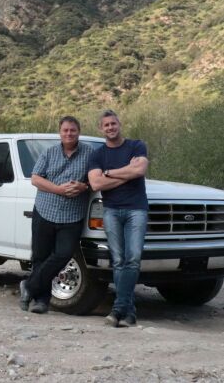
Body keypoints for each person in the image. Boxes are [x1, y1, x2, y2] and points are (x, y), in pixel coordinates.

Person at [19, 116, 93, 314]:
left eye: (73, 130)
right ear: (60, 132)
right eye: (65, 130)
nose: (69, 133)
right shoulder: (49, 153)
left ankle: (29, 285)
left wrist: (84, 185)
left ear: (79, 131)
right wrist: (59, 190)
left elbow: (96, 178)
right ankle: (41, 301)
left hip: (72, 214)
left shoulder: (90, 153)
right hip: (45, 210)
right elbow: (35, 179)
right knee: (40, 257)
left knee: (64, 254)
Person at [88, 109, 148, 327]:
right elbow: (96, 184)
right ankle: (128, 313)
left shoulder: (136, 145)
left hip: (136, 210)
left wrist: (110, 173)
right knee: (119, 260)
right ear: (101, 129)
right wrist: (127, 172)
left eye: (113, 123)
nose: (110, 127)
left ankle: (118, 309)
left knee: (133, 258)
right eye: (106, 125)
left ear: (119, 124)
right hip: (111, 210)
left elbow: (140, 170)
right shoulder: (97, 155)